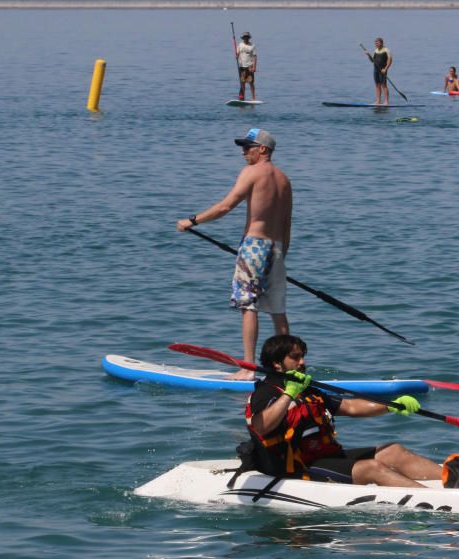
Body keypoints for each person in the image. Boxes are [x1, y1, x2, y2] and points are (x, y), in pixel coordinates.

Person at [246, 334, 442, 486]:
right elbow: (261, 426)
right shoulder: (266, 392)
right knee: (371, 468)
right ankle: (432, 499)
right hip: (295, 466)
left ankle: (456, 480)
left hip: (325, 457)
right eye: (295, 358)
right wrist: (288, 394)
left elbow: (350, 406)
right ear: (276, 363)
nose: (302, 362)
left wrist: (391, 405)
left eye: (303, 357)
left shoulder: (307, 390)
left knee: (394, 451)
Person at [176, 128, 292, 379]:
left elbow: (225, 206)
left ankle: (248, 368)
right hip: (277, 249)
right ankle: (289, 369)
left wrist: (192, 221)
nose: (243, 152)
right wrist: (281, 258)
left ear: (263, 149)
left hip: (254, 247)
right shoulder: (284, 180)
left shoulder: (251, 172)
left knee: (248, 306)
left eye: (247, 147)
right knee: (277, 309)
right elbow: (286, 224)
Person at [365, 37, 392, 105]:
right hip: (376, 70)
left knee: (384, 85)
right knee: (377, 85)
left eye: (377, 43)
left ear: (381, 43)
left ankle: (386, 102)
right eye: (375, 43)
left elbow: (390, 61)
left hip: (383, 70)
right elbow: (372, 61)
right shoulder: (375, 50)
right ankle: (378, 101)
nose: (376, 44)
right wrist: (368, 55)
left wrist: (385, 69)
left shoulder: (386, 50)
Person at [236, 32, 257, 101]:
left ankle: (253, 98)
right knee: (243, 83)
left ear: (249, 38)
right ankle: (243, 98)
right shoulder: (240, 45)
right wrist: (236, 56)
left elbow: (255, 57)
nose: (246, 38)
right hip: (242, 66)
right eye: (245, 37)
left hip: (250, 66)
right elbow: (237, 54)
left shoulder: (252, 46)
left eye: (247, 37)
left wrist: (254, 67)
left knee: (251, 83)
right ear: (243, 38)